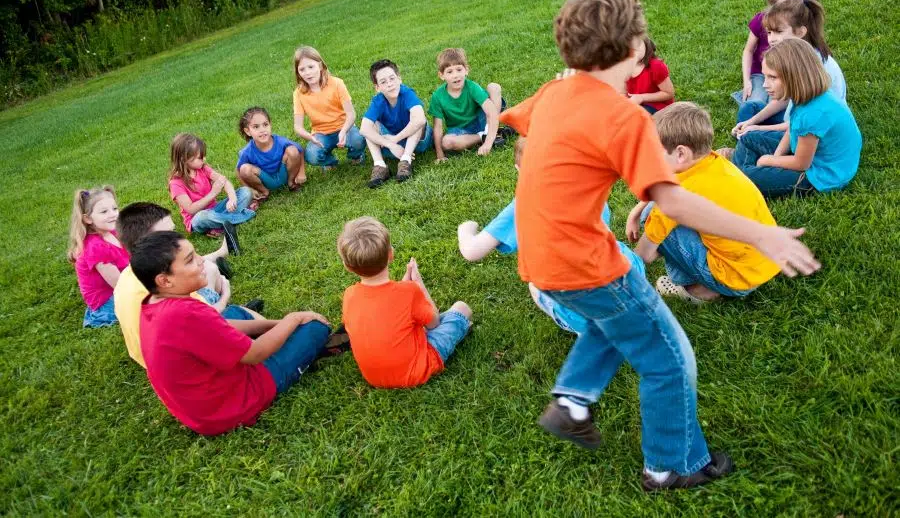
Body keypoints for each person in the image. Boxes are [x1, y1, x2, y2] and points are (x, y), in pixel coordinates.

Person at [500, 0, 820, 490]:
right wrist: (764, 233)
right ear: (634, 50)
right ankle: (671, 464)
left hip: (540, 262)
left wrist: (566, 89)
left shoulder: (553, 93)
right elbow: (673, 200)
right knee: (668, 359)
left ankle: (573, 399)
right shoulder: (622, 116)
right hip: (586, 263)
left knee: (621, 308)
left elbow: (511, 119)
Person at [132, 231, 331, 435]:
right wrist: (293, 319)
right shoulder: (185, 314)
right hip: (232, 406)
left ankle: (284, 339)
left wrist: (278, 324)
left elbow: (220, 323)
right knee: (315, 329)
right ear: (165, 281)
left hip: (200, 408)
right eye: (191, 260)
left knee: (234, 313)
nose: (202, 261)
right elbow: (255, 354)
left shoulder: (153, 302)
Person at [457, 137, 645, 334]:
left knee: (536, 285)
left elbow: (472, 251)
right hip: (632, 279)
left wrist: (466, 229)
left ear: (520, 170)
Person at [625, 103, 780, 303]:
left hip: (735, 279)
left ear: (681, 153)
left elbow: (642, 256)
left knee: (653, 219)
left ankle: (696, 289)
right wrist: (635, 211)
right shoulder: (713, 161)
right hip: (766, 262)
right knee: (649, 212)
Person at [114, 202, 268, 368]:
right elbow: (205, 321)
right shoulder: (163, 289)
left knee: (208, 269)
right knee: (215, 277)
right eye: (168, 233)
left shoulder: (128, 276)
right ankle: (237, 313)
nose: (175, 237)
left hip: (150, 356)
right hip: (182, 356)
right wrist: (224, 297)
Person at [338, 217, 472, 388]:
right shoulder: (408, 292)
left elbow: (382, 313)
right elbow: (434, 323)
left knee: (411, 324)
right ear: (390, 254)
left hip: (374, 378)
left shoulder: (349, 295)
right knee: (462, 308)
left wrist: (406, 287)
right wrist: (418, 284)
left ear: (347, 266)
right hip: (416, 370)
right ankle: (460, 330)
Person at [727, 39, 862, 197]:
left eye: (772, 77)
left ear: (795, 77)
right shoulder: (806, 97)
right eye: (765, 77)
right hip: (809, 154)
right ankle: (739, 170)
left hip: (821, 174)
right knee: (747, 137)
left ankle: (737, 175)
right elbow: (792, 130)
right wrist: (776, 158)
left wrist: (768, 161)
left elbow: (801, 163)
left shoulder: (814, 113)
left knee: (747, 177)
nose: (764, 85)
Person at [733, 0, 846, 137]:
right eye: (769, 33)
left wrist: (757, 129)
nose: (771, 39)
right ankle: (744, 142)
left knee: (753, 137)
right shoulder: (795, 56)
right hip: (793, 119)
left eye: (778, 32)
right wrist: (751, 122)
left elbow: (803, 123)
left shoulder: (808, 66)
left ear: (800, 32)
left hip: (814, 136)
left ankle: (742, 151)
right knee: (749, 109)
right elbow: (784, 101)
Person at [733, 0, 822, 127]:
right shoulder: (764, 19)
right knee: (755, 104)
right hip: (762, 74)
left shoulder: (804, 37)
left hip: (786, 79)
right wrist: (747, 82)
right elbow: (748, 50)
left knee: (777, 105)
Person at [169, 132, 253, 253]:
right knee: (202, 217)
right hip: (198, 218)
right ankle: (245, 215)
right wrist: (213, 193)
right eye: (199, 157)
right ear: (184, 159)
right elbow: (191, 210)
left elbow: (225, 182)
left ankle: (221, 225)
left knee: (245, 192)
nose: (204, 159)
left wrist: (232, 198)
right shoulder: (176, 183)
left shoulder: (202, 168)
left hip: (216, 210)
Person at [359, 60, 433, 187]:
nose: (389, 84)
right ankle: (380, 165)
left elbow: (420, 119)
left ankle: (406, 161)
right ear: (377, 88)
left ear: (399, 79)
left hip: (417, 142)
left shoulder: (407, 93)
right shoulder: (378, 100)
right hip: (392, 146)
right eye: (383, 82)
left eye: (392, 78)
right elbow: (363, 129)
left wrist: (394, 139)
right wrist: (390, 144)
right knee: (370, 126)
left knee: (418, 119)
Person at [292, 46, 367, 169]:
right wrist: (310, 137)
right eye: (302, 69)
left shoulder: (337, 83)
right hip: (321, 133)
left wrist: (343, 131)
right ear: (298, 73)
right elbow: (298, 126)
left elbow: (351, 114)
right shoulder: (298, 93)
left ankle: (356, 155)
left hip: (344, 127)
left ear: (320, 66)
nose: (307, 73)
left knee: (358, 140)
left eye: (311, 67)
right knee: (312, 155)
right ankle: (330, 162)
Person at [428, 47, 507, 161]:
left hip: (481, 119)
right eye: (449, 71)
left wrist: (488, 144)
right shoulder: (437, 96)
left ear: (466, 70)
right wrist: (440, 155)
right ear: (441, 75)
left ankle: (491, 131)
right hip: (461, 129)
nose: (456, 75)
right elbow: (438, 128)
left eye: (459, 70)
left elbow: (491, 112)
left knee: (494, 87)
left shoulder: (471, 87)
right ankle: (482, 136)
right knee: (446, 142)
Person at [68, 186, 130, 327]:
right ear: (88, 219)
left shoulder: (112, 231)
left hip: (122, 283)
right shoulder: (96, 247)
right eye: (104, 212)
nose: (112, 214)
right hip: (108, 300)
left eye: (114, 209)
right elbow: (120, 285)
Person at [236, 107, 306, 201]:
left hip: (284, 174)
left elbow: (300, 150)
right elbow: (238, 171)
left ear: (270, 124)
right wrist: (249, 189)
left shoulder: (280, 141)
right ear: (248, 131)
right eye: (256, 127)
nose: (262, 130)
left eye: (265, 125)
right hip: (266, 180)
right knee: (244, 169)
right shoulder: (247, 151)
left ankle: (292, 183)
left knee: (293, 150)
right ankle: (264, 192)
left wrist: (302, 173)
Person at [625, 37, 674, 114]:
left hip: (658, 107)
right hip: (633, 104)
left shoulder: (656, 66)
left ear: (646, 43)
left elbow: (669, 93)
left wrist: (641, 98)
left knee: (635, 116)